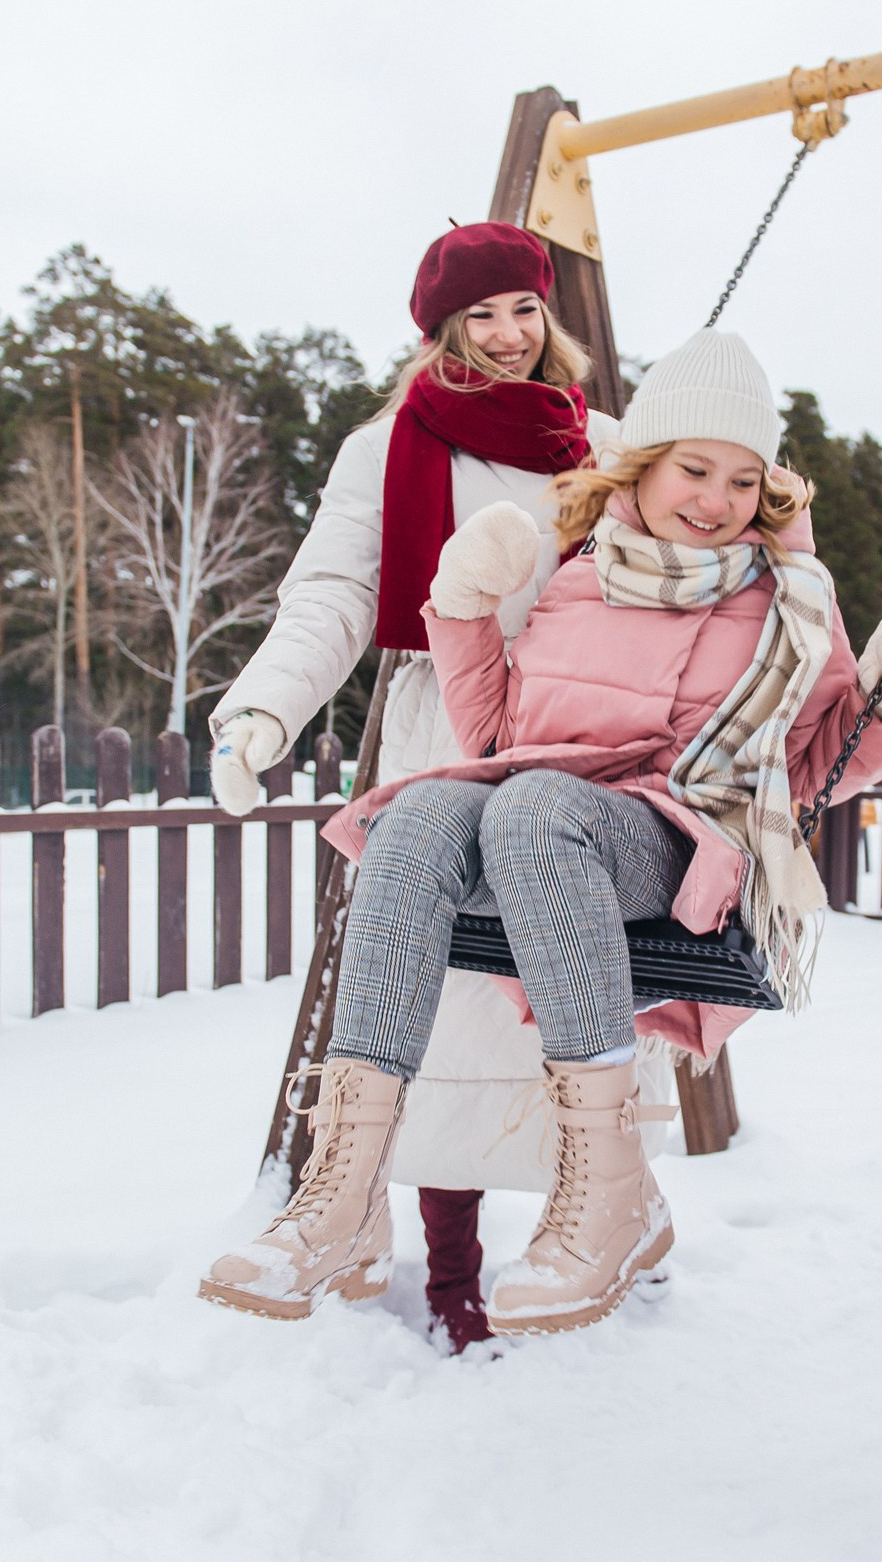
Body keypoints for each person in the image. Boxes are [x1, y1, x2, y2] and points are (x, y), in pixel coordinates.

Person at [200, 329, 882, 1336]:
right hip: (537, 818)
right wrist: (460, 609)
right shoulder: (580, 572)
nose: (716, 500)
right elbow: (499, 734)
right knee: (416, 809)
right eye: (694, 469)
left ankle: (611, 1195)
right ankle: (338, 1190)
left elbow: (818, 768)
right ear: (643, 466)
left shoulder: (789, 602)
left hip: (677, 838)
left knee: (536, 808)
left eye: (741, 480)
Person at [202, 221, 628, 1350]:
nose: (504, 336)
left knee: (566, 997)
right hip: (443, 728)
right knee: (442, 1010)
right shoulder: (392, 444)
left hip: (575, 737)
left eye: (523, 311)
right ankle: (453, 1276)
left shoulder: (608, 447)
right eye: (477, 317)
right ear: (442, 330)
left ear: (551, 317)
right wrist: (263, 709)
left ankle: (606, 1232)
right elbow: (334, 592)